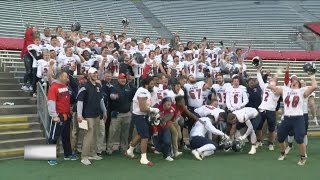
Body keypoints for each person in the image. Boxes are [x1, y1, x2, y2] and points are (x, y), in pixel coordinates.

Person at [268, 73, 317, 165]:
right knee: (280, 137)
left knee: (299, 138)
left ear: (298, 82)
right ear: (290, 82)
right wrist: (274, 78)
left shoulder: (302, 91)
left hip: (298, 118)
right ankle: (283, 153)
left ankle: (303, 157)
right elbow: (270, 87)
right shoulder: (285, 90)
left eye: (295, 79)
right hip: (287, 118)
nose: (293, 80)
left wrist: (312, 76)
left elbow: (314, 86)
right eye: (292, 79)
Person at [125, 76, 159, 166]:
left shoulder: (145, 91)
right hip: (139, 116)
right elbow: (143, 108)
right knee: (145, 136)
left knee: (140, 134)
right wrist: (153, 110)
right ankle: (143, 158)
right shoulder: (142, 91)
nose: (153, 85)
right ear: (146, 84)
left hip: (142, 116)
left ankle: (130, 151)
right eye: (151, 84)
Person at [77, 67, 108, 166]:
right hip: (88, 115)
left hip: (96, 114)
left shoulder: (98, 85)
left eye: (96, 73)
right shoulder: (84, 86)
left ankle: (92, 153)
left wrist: (104, 111)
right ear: (89, 75)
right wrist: (79, 115)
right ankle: (84, 156)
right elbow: (80, 101)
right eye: (93, 73)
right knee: (88, 135)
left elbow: (101, 100)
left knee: (95, 134)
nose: (95, 75)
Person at [47, 70, 78, 166]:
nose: (67, 78)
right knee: (53, 137)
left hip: (67, 115)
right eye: (65, 76)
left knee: (66, 137)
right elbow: (51, 102)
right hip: (58, 116)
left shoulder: (65, 87)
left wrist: (70, 110)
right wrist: (54, 116)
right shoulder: (54, 87)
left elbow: (67, 101)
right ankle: (50, 158)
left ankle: (67, 154)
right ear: (60, 77)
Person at [106, 73, 135, 154]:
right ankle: (109, 148)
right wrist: (114, 96)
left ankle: (124, 148)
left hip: (127, 113)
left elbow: (132, 97)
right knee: (113, 131)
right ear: (118, 79)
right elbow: (111, 96)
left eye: (124, 78)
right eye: (122, 78)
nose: (123, 80)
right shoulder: (114, 87)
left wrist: (131, 82)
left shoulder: (128, 87)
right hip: (117, 113)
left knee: (125, 133)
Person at [255, 68, 280, 150]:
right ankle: (259, 141)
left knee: (271, 128)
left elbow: (276, 91)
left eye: (272, 80)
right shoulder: (266, 86)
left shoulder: (278, 89)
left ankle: (271, 143)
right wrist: (258, 71)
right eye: (270, 80)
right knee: (259, 126)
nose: (270, 81)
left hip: (271, 110)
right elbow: (260, 81)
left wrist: (273, 84)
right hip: (262, 109)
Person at [152, 97, 176, 161]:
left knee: (167, 141)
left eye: (169, 104)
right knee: (158, 147)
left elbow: (165, 119)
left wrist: (159, 117)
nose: (168, 106)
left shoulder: (171, 110)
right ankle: (163, 151)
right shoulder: (156, 106)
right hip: (155, 128)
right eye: (167, 104)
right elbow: (151, 116)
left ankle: (167, 155)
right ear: (163, 103)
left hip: (164, 127)